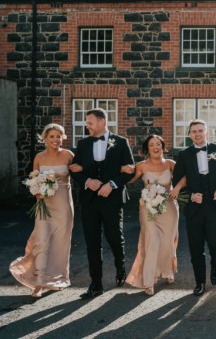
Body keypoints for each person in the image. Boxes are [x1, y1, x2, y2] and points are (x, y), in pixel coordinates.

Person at [70, 108, 135, 300]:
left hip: (112, 200)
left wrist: (113, 184)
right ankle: (96, 284)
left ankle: (120, 266)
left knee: (114, 237)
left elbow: (129, 170)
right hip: (89, 201)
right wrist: (87, 181)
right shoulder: (82, 144)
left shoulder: (121, 142)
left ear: (101, 122)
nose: (87, 126)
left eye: (89, 122)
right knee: (92, 243)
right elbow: (74, 170)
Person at [172, 119, 216, 296]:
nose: (197, 134)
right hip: (194, 208)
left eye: (200, 130)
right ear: (189, 135)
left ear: (207, 132)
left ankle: (215, 267)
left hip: (215, 206)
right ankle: (199, 282)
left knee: (215, 243)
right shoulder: (184, 154)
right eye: (194, 131)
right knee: (195, 247)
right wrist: (191, 195)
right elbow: (177, 180)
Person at [10, 124, 74, 298]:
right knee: (42, 240)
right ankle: (38, 282)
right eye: (52, 136)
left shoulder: (68, 155)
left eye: (58, 136)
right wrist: (36, 191)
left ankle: (58, 277)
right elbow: (34, 179)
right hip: (44, 205)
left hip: (63, 206)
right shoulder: (39, 157)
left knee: (61, 243)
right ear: (45, 138)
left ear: (63, 138)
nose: (55, 140)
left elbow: (79, 174)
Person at [123, 135, 182, 296]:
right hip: (147, 208)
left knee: (167, 242)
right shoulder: (141, 165)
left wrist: (176, 188)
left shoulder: (171, 164)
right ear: (147, 148)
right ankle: (149, 280)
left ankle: (167, 271)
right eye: (151, 145)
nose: (155, 147)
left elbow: (184, 178)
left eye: (158, 144)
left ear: (163, 147)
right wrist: (123, 170)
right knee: (151, 241)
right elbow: (128, 180)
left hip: (168, 208)